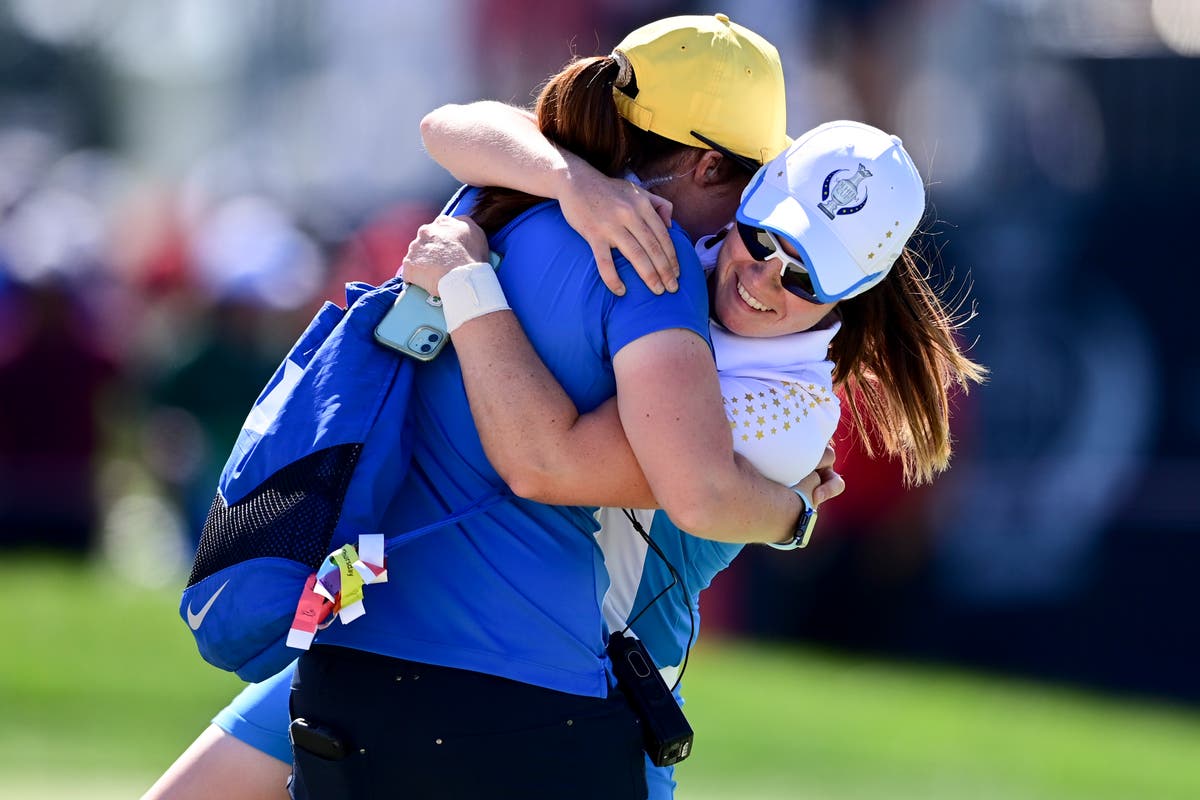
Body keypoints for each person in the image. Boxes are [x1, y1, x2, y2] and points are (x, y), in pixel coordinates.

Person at [144, 112, 984, 799]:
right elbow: (451, 128)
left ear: (853, 296)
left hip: (589, 694)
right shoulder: (683, 250)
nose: (763, 278)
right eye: (762, 240)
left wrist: (472, 283)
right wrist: (573, 180)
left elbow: (546, 463)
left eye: (803, 278)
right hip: (417, 614)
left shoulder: (789, 411)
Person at [229, 14, 805, 800]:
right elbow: (628, 478)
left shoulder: (495, 193)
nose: (747, 226)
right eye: (749, 186)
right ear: (707, 164)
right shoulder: (653, 270)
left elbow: (446, 124)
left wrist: (572, 182)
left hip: (351, 658)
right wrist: (793, 512)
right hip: (525, 690)